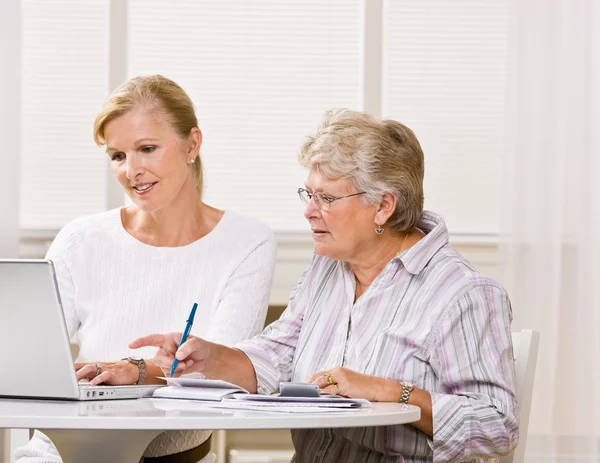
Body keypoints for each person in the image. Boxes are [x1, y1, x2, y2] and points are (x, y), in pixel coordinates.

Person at [132, 109, 519, 463]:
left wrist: (394, 392)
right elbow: (279, 352)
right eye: (309, 194)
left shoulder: (463, 293)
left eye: (327, 198)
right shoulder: (328, 267)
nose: (309, 210)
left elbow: (498, 426)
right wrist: (212, 358)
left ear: (383, 206)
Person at [15, 75, 276, 463]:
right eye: (118, 156)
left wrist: (137, 370)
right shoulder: (80, 238)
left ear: (192, 144)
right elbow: (29, 355)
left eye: (147, 149)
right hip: (59, 453)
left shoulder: (246, 242)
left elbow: (225, 373)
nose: (131, 170)